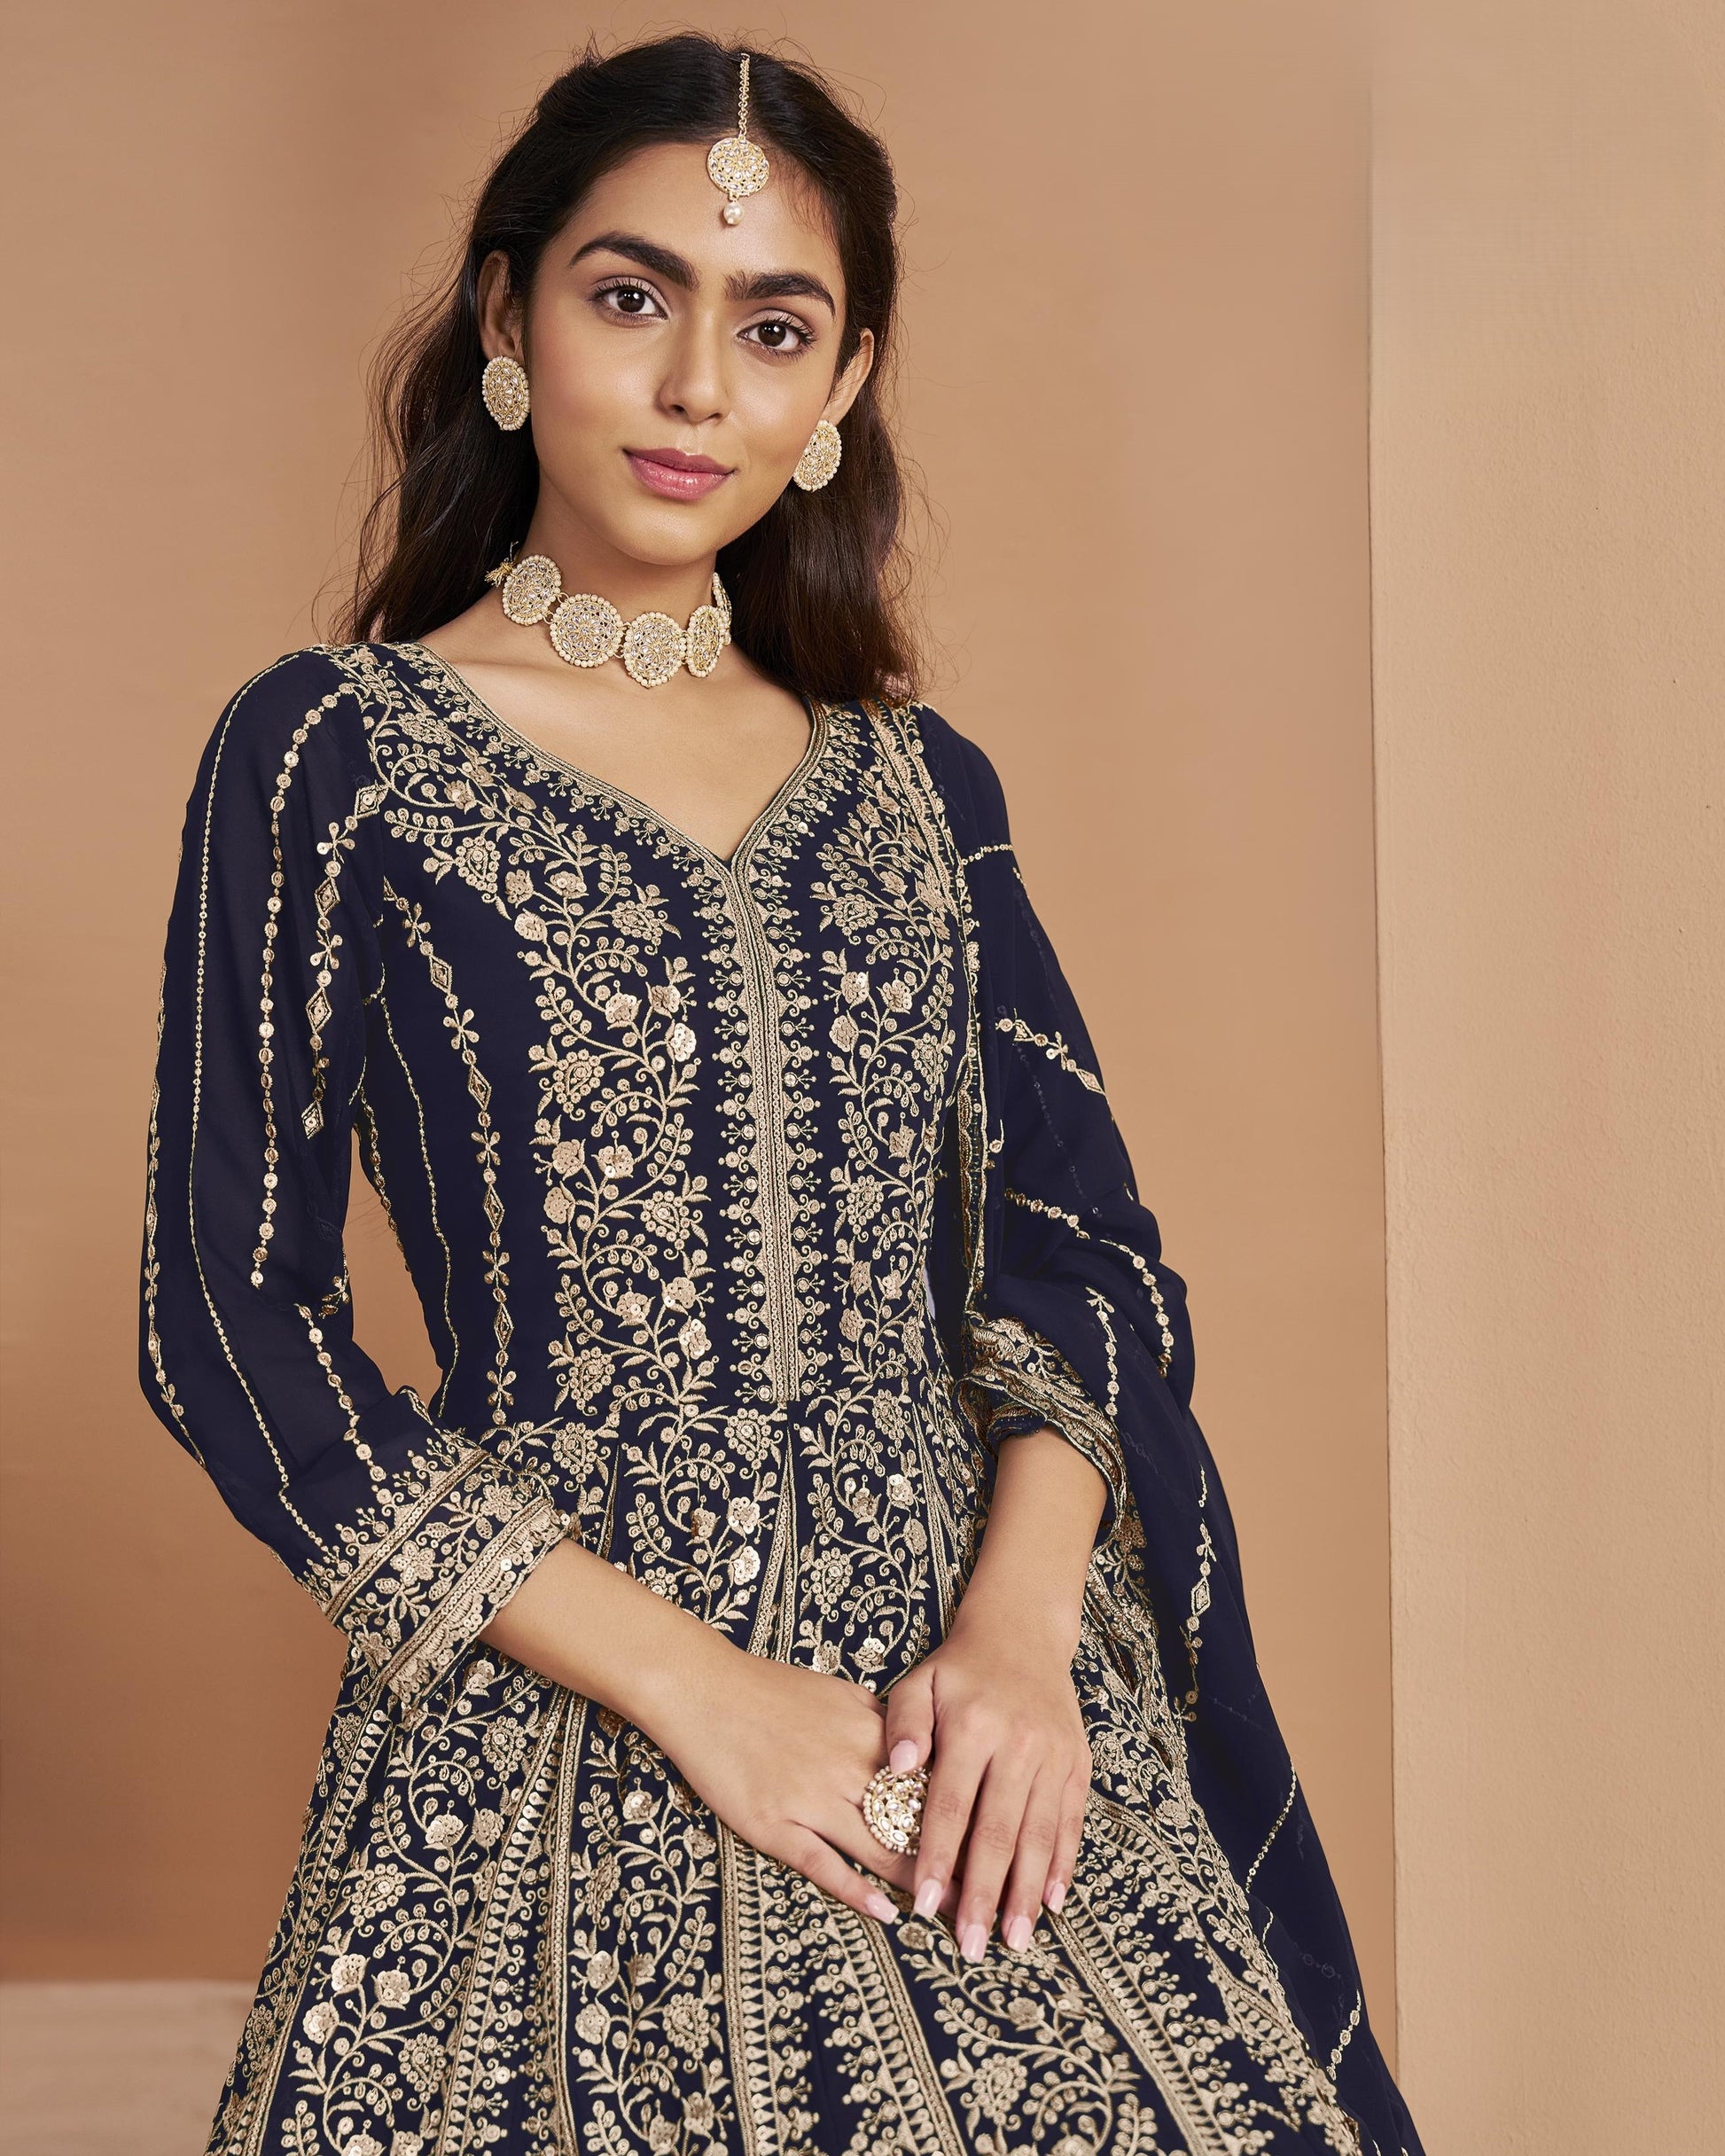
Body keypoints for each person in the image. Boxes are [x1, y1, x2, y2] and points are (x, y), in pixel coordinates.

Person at [138, 33, 1423, 2156]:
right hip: (560, 1685)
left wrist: (1016, 1643)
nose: (694, 386)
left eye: (774, 327)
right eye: (628, 296)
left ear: (839, 394)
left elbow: (1079, 1252)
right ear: (505, 321)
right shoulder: (330, 755)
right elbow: (231, 1328)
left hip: (967, 1703)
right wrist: (701, 1690)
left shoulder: (918, 792)